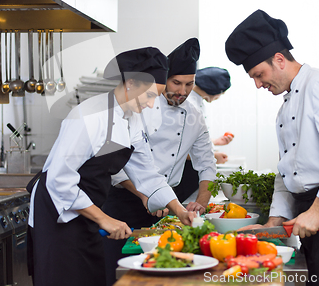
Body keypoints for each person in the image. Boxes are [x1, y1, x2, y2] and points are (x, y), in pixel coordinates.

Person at [225, 10, 319, 285]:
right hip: (308, 210)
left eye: (259, 75)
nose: (258, 84)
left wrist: (317, 212)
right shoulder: (285, 109)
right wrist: (274, 221)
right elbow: (287, 172)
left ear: (279, 59)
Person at [27, 47, 196, 286]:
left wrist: (179, 211)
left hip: (87, 211)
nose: (150, 105)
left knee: (92, 278)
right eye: (149, 95)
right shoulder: (88, 116)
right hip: (56, 214)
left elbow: (147, 173)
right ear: (130, 84)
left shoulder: (131, 119)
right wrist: (104, 218)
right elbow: (59, 179)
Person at [103, 38, 217, 286]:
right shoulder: (139, 107)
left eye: (190, 84)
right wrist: (147, 196)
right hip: (124, 202)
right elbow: (121, 167)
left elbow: (207, 163)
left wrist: (200, 203)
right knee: (120, 272)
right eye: (176, 83)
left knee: (162, 272)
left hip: (165, 206)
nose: (183, 91)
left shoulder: (195, 116)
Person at [188, 66, 233, 164]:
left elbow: (194, 141)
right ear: (214, 89)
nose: (219, 97)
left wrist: (215, 141)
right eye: (221, 93)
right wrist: (212, 157)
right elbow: (181, 148)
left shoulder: (197, 101)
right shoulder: (190, 105)